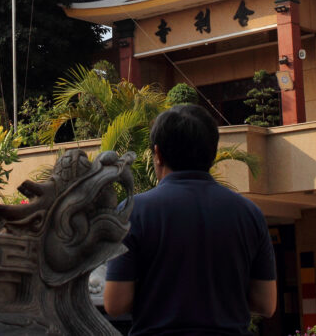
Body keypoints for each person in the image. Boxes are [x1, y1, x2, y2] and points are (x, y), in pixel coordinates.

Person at [104, 103, 277, 334]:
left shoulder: (133, 211)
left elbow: (115, 304)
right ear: (213, 152)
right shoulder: (249, 213)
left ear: (158, 154)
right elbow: (266, 304)